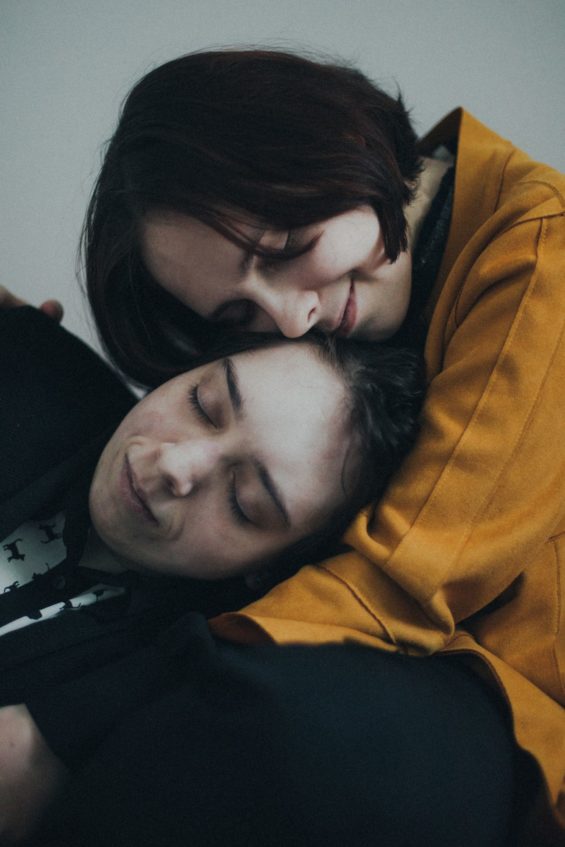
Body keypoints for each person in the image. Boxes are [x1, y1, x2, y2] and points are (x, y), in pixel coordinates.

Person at [2, 47, 563, 845]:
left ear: (335, 143)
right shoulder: (352, 303)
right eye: (239, 317)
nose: (291, 318)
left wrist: (63, 726)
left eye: (285, 246)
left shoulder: (540, 257)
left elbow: (402, 580)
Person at [0, 301, 424, 843]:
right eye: (203, 403)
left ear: (268, 568)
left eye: (245, 503)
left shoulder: (171, 697)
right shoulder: (29, 363)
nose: (175, 466)